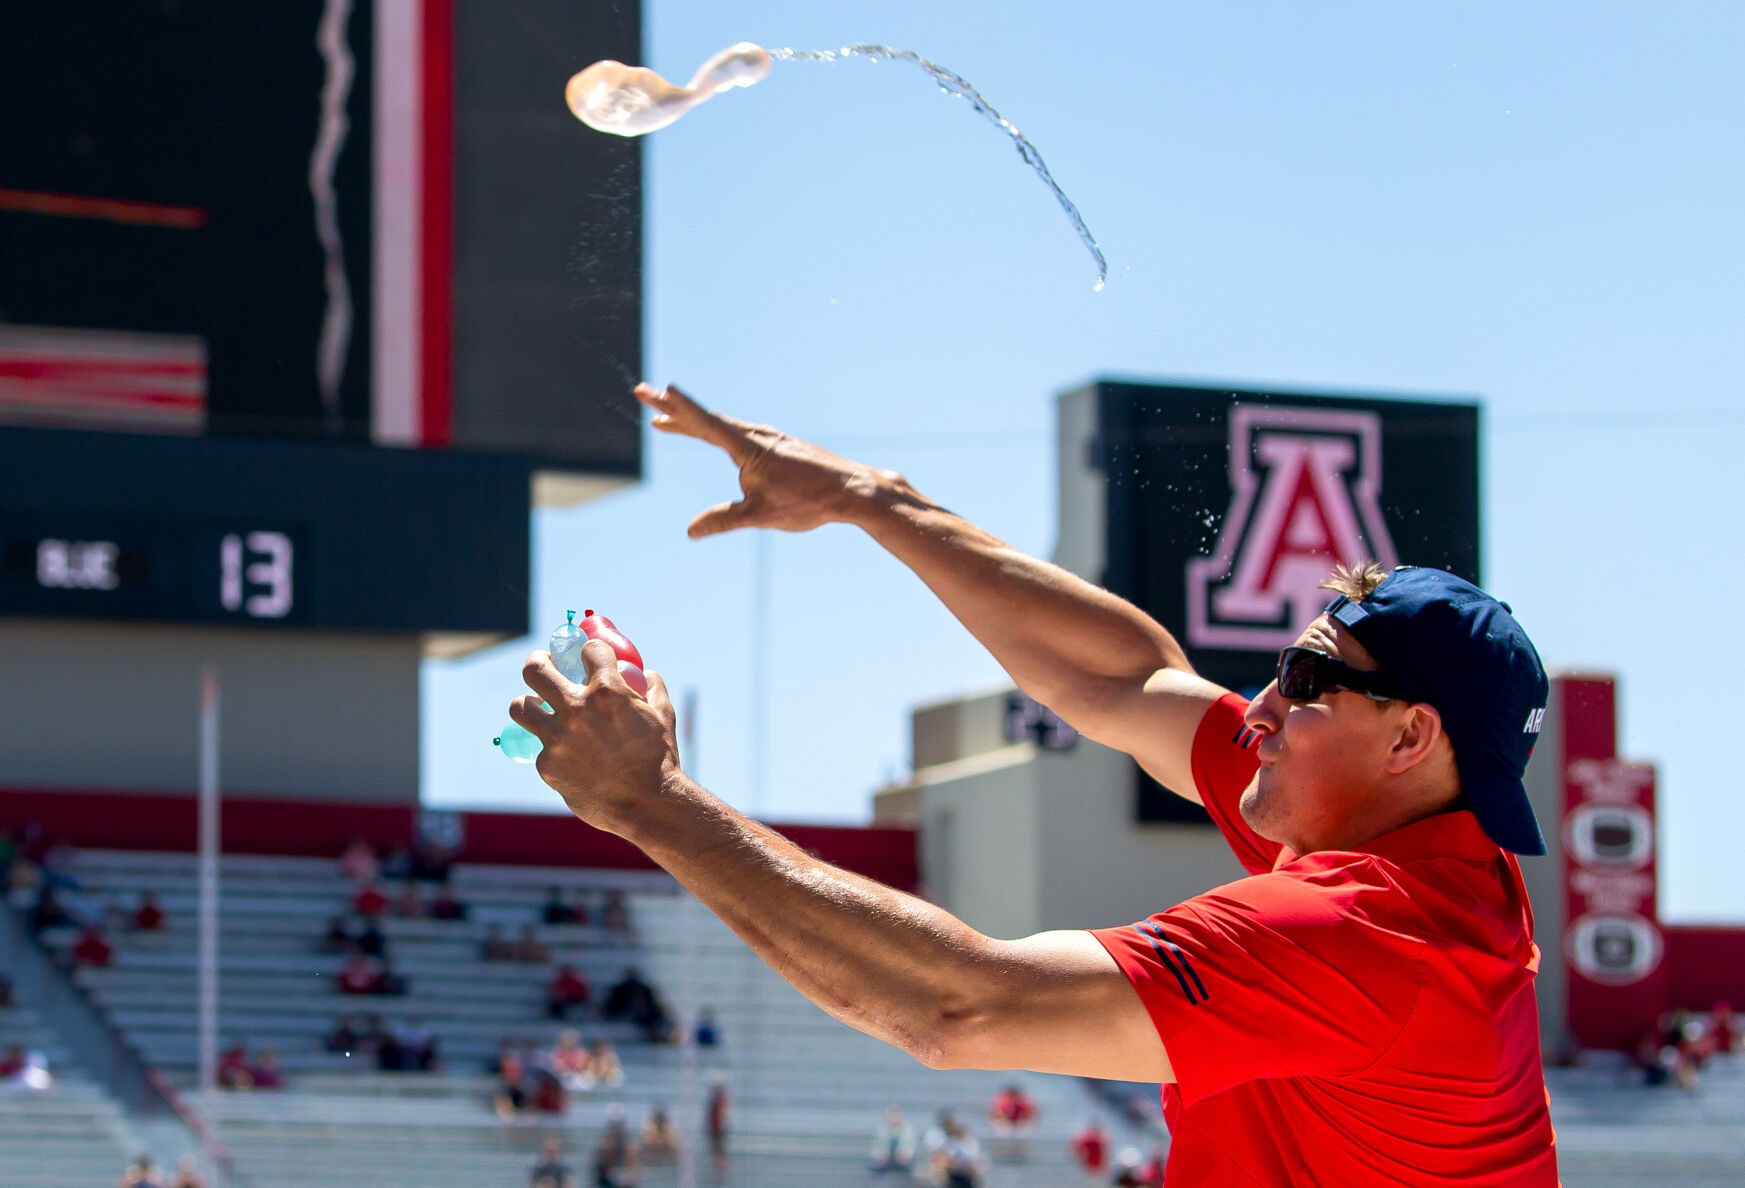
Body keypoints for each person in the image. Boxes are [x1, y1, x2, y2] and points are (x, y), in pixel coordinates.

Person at [505, 385, 1564, 1186]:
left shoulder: (1371, 936)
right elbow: (1121, 678)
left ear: (1409, 737)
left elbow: (958, 1006)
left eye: (1304, 678)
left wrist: (651, 804)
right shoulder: (1395, 835)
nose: (1259, 705)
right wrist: (869, 500)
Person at [593, 1102, 637, 1187]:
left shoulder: (629, 1146)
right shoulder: (605, 1144)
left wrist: (627, 1178)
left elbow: (635, 1173)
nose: (616, 1128)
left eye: (618, 1125)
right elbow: (604, 1170)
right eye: (614, 1125)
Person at [988, 1082, 1036, 1160]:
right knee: (1002, 1130)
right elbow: (996, 1113)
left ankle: (1022, 1153)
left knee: (1024, 1131)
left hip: (1019, 1122)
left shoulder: (1024, 1100)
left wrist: (1021, 1120)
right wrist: (1005, 1120)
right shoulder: (1002, 1099)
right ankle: (1003, 1152)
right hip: (1006, 1122)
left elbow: (1030, 1114)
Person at [869, 1104, 917, 1174]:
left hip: (903, 1159)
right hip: (884, 1159)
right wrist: (881, 1154)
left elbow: (909, 1146)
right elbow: (877, 1146)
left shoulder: (908, 1129)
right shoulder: (882, 1129)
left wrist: (904, 1154)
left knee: (909, 1167)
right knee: (875, 1166)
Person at [1069, 1117, 1110, 1181]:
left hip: (1098, 1170)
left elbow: (1106, 1153)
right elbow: (1076, 1149)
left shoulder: (1102, 1139)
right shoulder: (1087, 1139)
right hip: (1088, 1169)